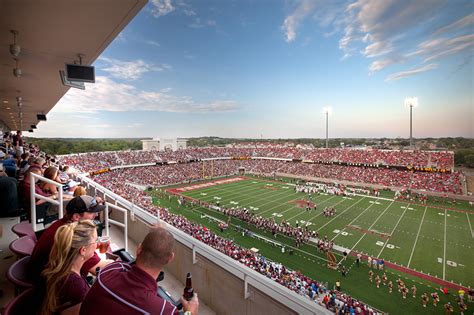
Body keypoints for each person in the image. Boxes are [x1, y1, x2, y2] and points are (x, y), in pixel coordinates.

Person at [80, 225, 199, 315]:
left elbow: (125, 266)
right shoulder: (163, 310)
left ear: (138, 249)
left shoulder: (108, 272)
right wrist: (190, 312)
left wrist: (154, 239)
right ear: (170, 259)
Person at [29, 195, 113, 285]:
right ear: (76, 217)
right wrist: (120, 262)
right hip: (46, 285)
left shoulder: (63, 225)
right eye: (92, 212)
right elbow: (98, 269)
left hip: (42, 275)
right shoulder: (74, 238)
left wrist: (94, 244)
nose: (95, 215)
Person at [41, 220, 97, 314]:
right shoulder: (75, 285)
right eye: (96, 240)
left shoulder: (61, 264)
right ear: (83, 250)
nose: (97, 244)